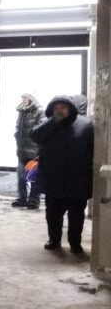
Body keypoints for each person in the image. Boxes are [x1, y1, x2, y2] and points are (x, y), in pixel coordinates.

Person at [30, 95, 94, 255]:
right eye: (56, 108)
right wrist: (53, 122)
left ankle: (75, 242)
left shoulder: (85, 124)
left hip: (77, 179)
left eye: (63, 108)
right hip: (54, 179)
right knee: (53, 214)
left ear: (70, 109)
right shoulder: (47, 123)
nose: (59, 111)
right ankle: (54, 240)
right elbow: (35, 136)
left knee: (76, 215)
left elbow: (93, 150)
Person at [12, 94, 44, 209]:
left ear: (31, 99)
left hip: (34, 152)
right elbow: (18, 128)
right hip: (22, 151)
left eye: (25, 97)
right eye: (22, 98)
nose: (23, 100)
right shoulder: (22, 112)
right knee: (21, 177)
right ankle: (22, 199)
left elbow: (41, 130)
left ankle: (33, 200)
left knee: (33, 177)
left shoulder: (39, 112)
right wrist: (16, 135)